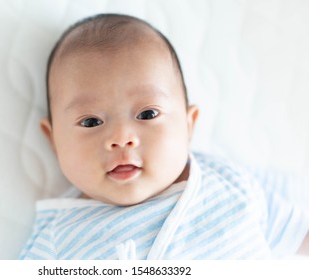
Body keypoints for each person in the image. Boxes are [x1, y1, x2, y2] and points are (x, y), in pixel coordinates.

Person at [19, 13, 309, 259]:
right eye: (91, 121)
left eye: (147, 115)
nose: (121, 138)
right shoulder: (57, 240)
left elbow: (297, 233)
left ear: (188, 125)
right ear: (53, 139)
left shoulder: (230, 184)